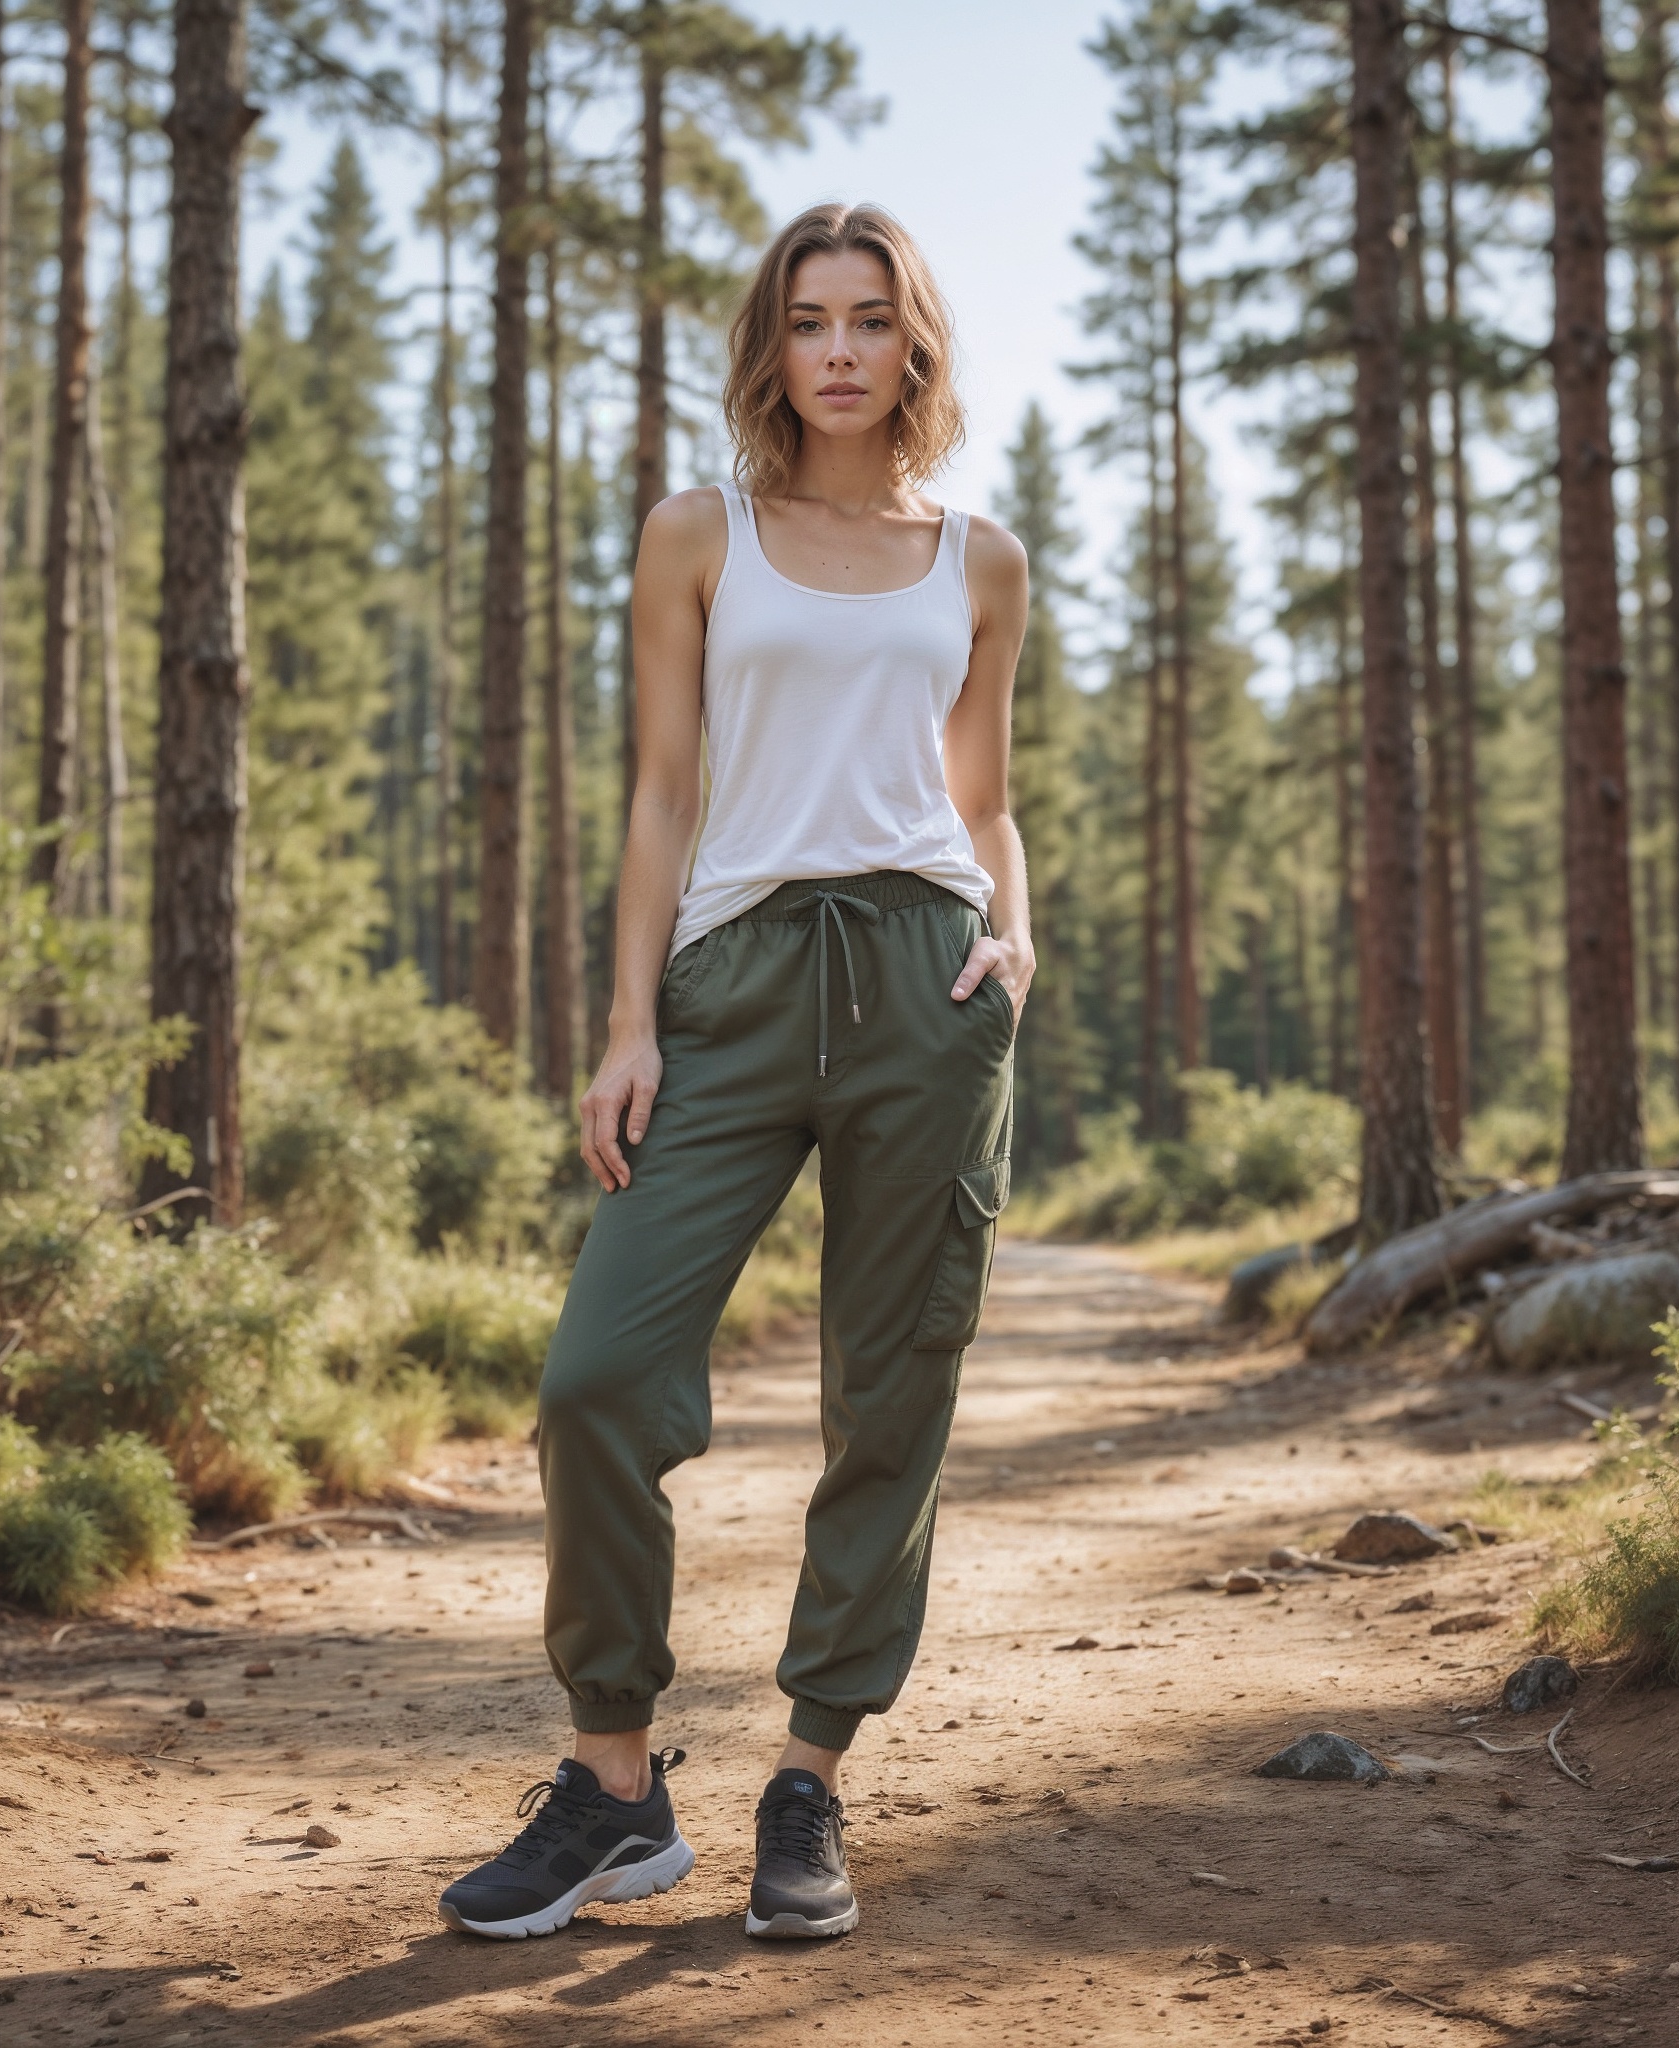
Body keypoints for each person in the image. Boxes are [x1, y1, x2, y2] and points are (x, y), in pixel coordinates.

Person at [439, 200, 1032, 1945]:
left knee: (893, 1382)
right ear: (770, 349)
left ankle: (810, 1779)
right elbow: (660, 794)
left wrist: (1016, 938)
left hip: (931, 980)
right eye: (807, 322)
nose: (838, 350)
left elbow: (984, 798)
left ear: (910, 343)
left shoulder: (980, 559)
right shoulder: (701, 534)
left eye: (868, 320)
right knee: (597, 1378)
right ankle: (616, 1784)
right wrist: (630, 1023)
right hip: (738, 976)